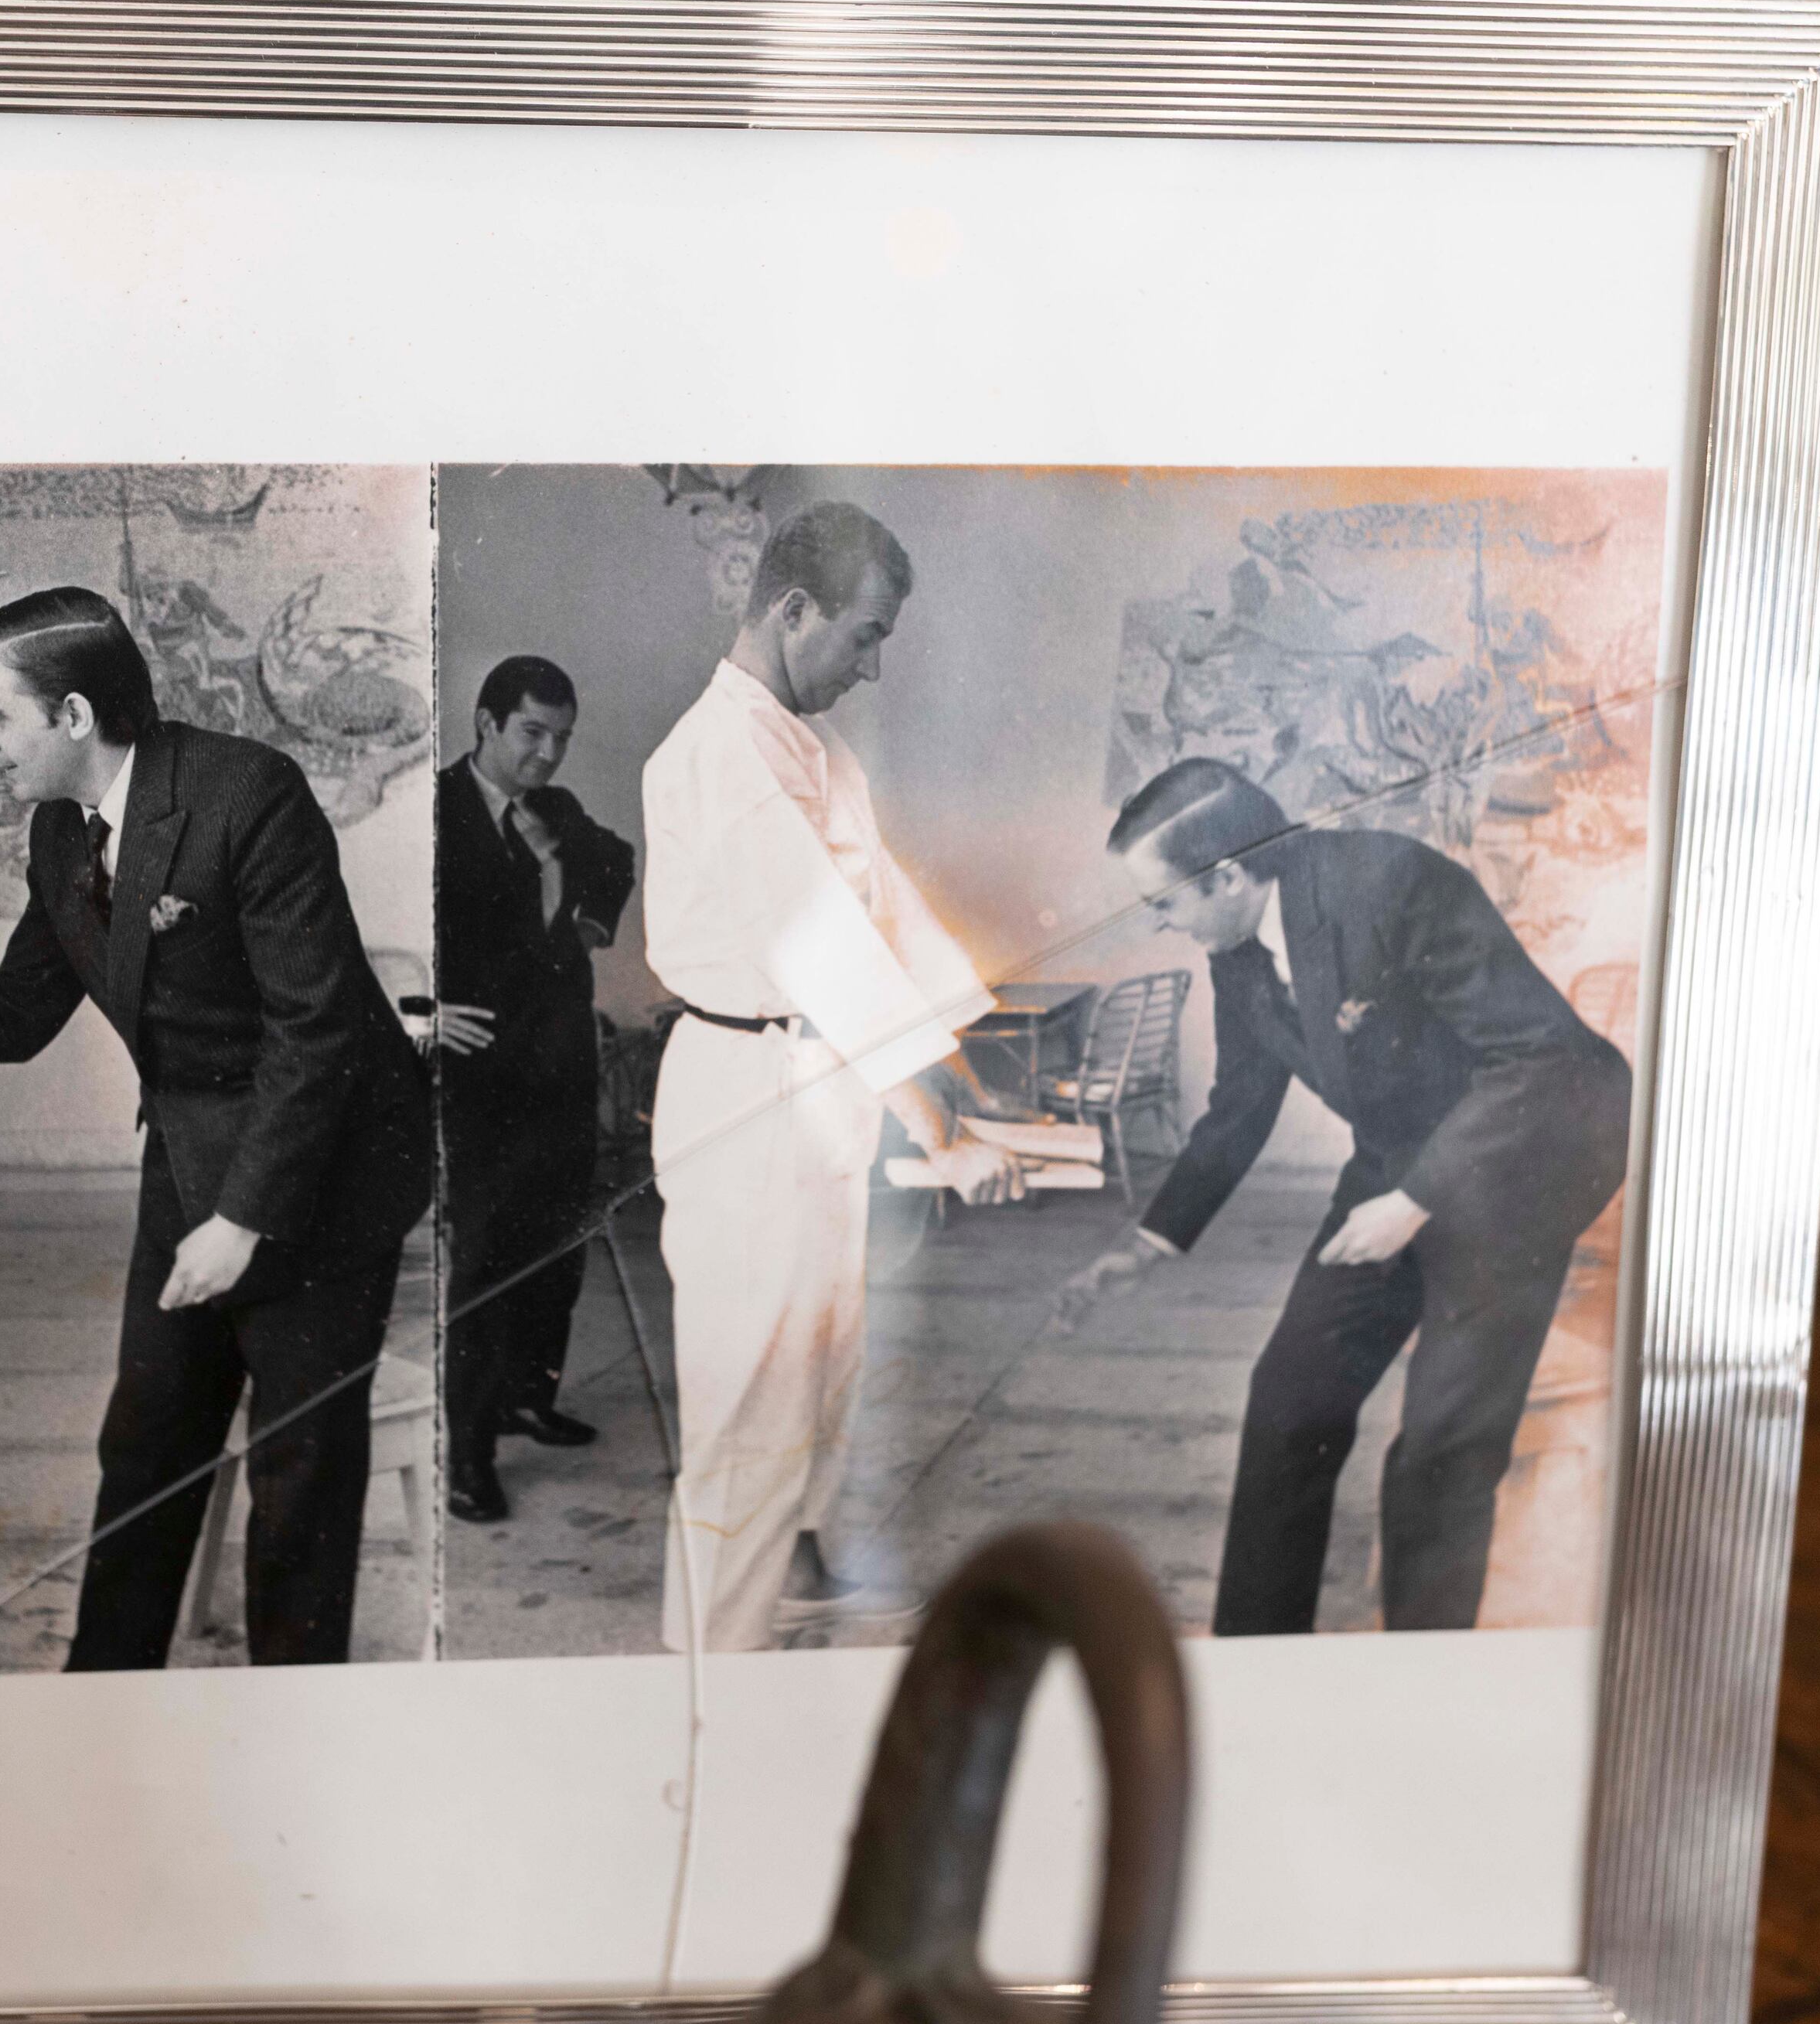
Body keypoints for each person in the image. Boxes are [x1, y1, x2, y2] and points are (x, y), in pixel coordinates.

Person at [0, 588, 434, 1670]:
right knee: (148, 1441)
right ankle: (103, 1694)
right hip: (192, 1155)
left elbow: (318, 1034)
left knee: (298, 1477)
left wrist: (246, 1218)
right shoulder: (62, 827)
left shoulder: (247, 795)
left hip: (326, 1176)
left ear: (70, 716)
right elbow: (18, 1013)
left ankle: (295, 1723)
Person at [1055, 758, 1633, 1634]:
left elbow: (1545, 1058)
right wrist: (1149, 1239)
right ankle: (1254, 1658)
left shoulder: (1389, 881)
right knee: (1290, 1401)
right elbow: (1240, 1101)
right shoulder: (1236, 944)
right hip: (1400, 1156)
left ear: (1225, 876)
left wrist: (1415, 1200)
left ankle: (1413, 1677)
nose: (1159, 923)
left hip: (1524, 1152)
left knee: (1439, 1448)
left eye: (1161, 902)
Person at [637, 500, 1018, 1653]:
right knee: (750, 1399)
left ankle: (791, 1574)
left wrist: (952, 1051)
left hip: (815, 1086)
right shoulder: (719, 747)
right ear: (793, 610)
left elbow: (884, 906)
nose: (874, 664)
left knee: (823, 1365)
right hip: (749, 1086)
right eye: (866, 633)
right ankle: (715, 1668)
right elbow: (814, 933)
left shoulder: (816, 751)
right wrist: (922, 1084)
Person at [428, 656, 636, 1525]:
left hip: (559, 1069)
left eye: (561, 738)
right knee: (481, 1261)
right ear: (484, 723)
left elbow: (617, 857)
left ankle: (525, 1394)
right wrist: (421, 1010)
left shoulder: (557, 811)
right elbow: (363, 920)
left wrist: (589, 913)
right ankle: (466, 1454)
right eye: (532, 734)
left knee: (558, 1244)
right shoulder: (430, 811)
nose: (548, 754)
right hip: (477, 1078)